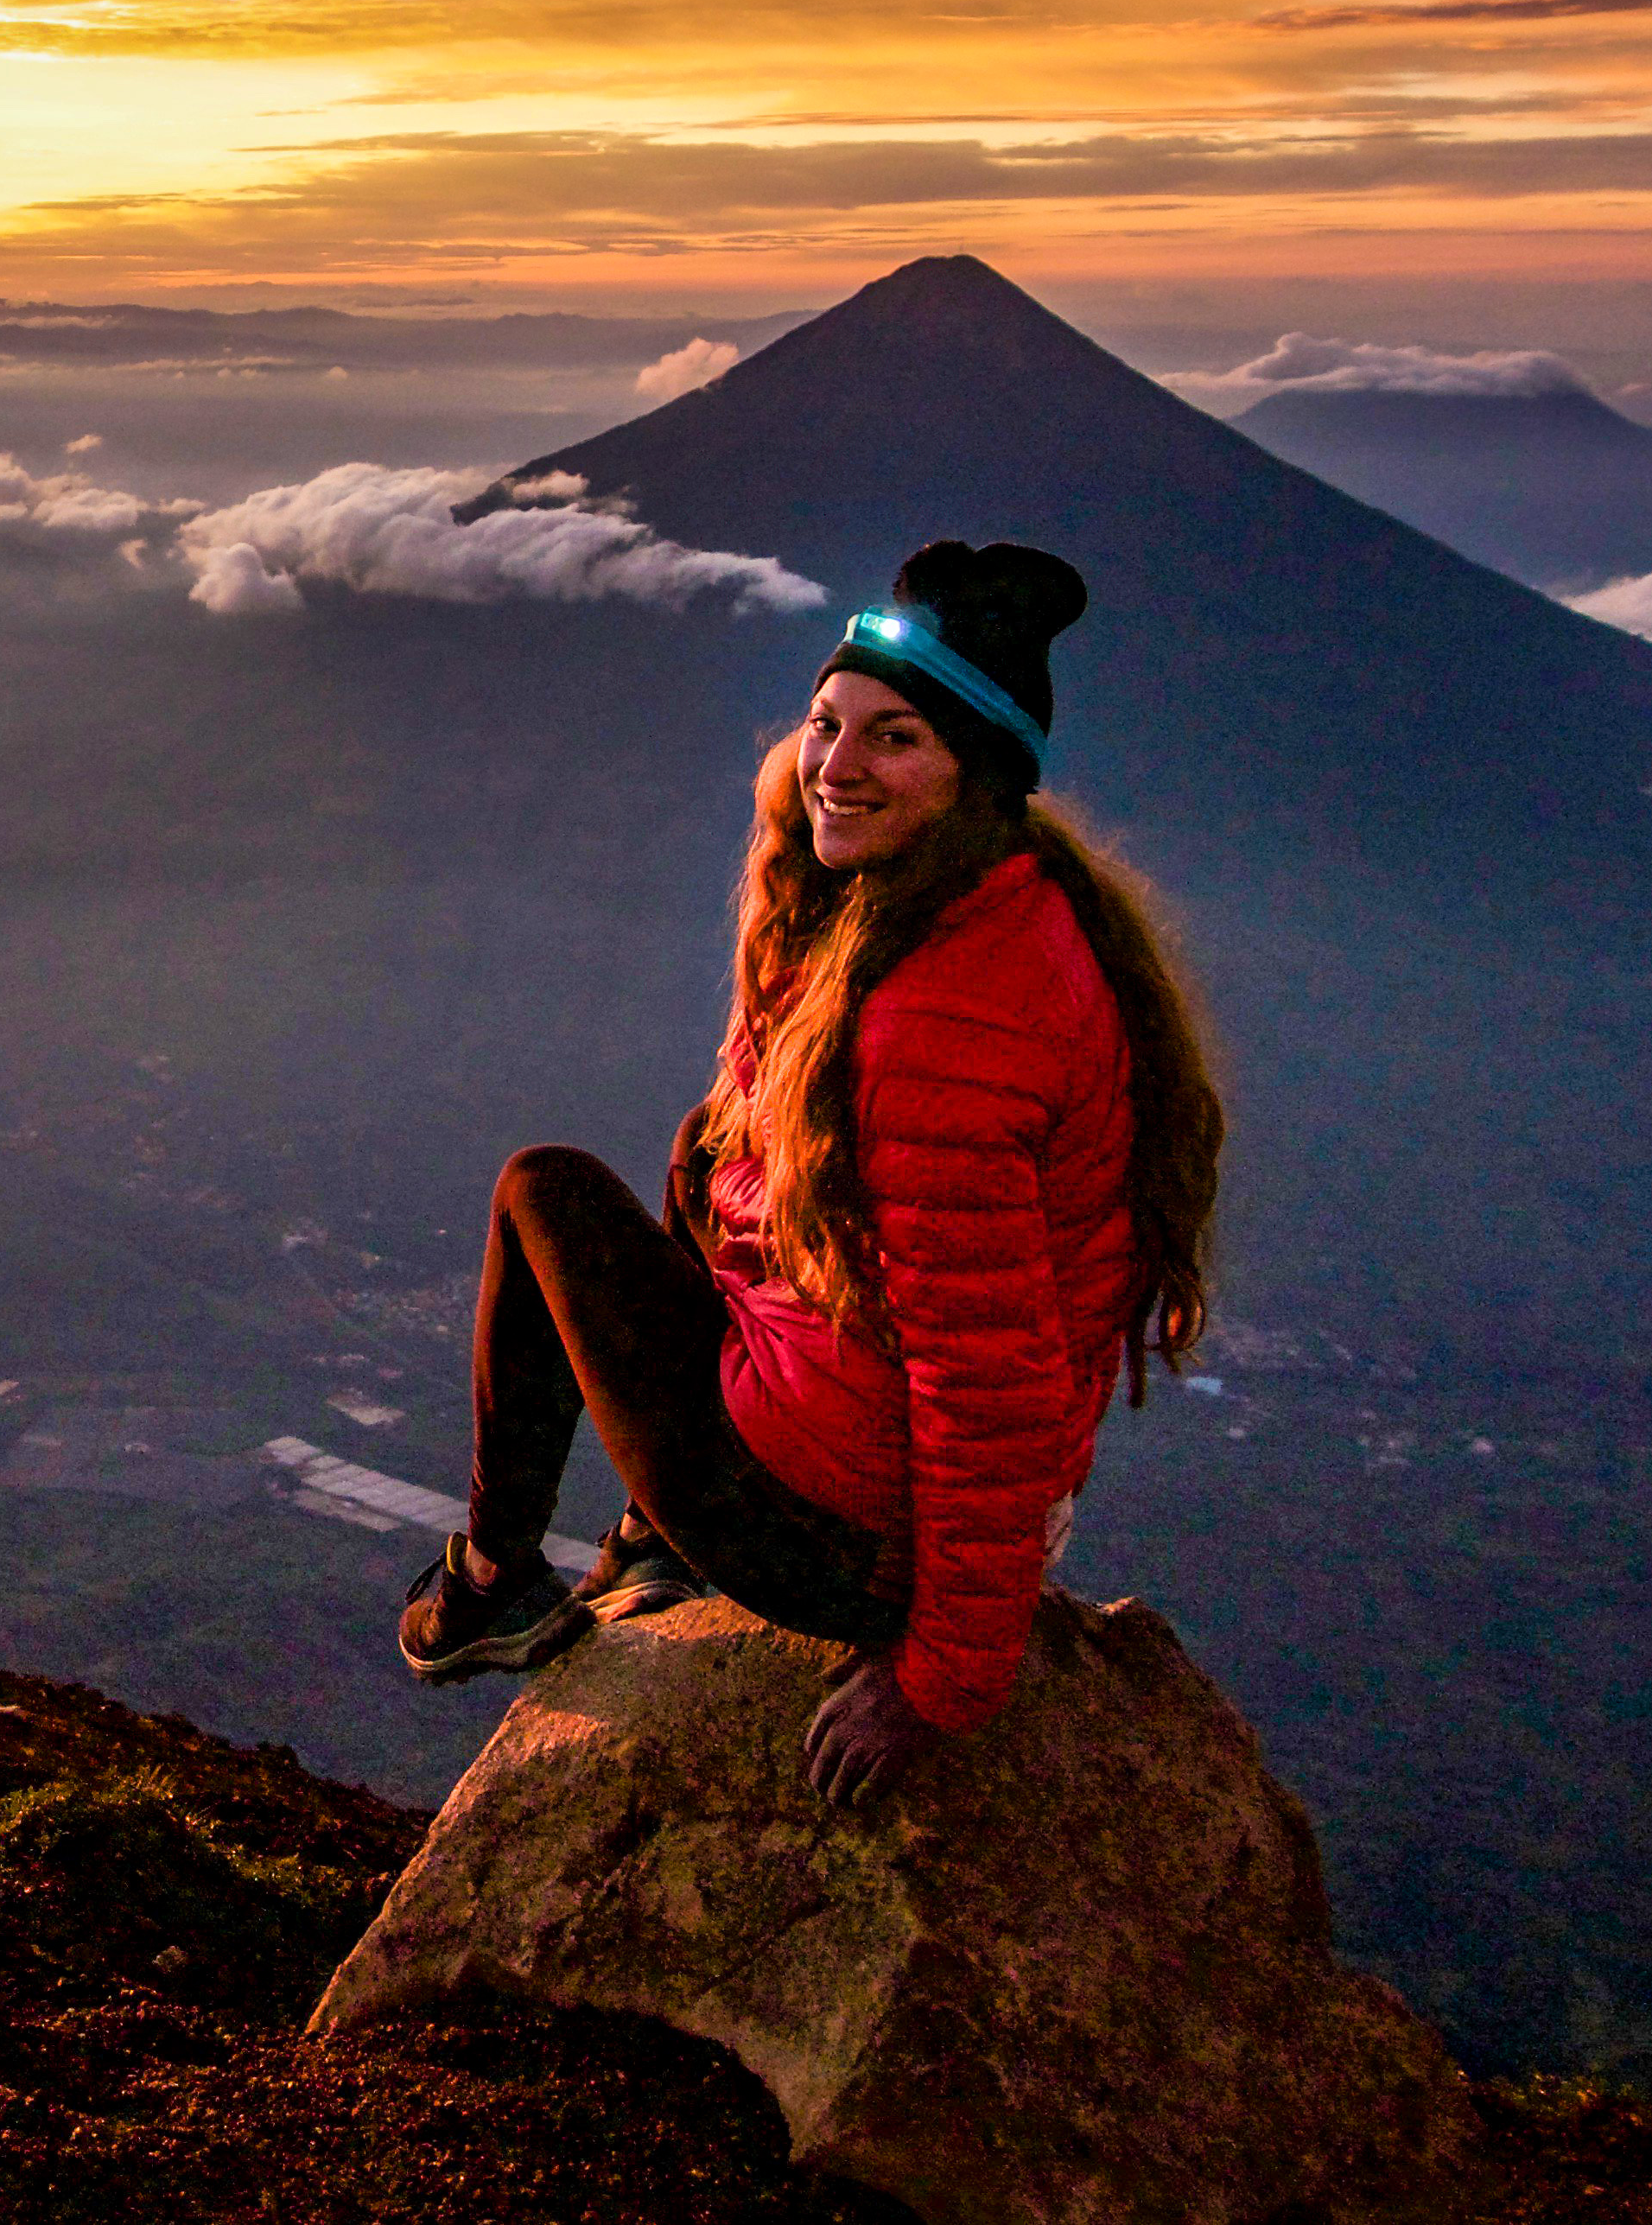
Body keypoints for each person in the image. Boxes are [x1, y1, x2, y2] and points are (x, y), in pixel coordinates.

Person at [392, 538, 1223, 1809]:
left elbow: (986, 1375)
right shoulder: (997, 905)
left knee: (544, 1190)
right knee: (710, 1143)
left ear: (974, 775)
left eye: (895, 740)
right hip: (853, 1447)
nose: (836, 767)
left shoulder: (941, 1029)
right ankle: (654, 1548)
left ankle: (494, 1584)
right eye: (826, 725)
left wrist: (942, 1678)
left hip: (838, 1540)